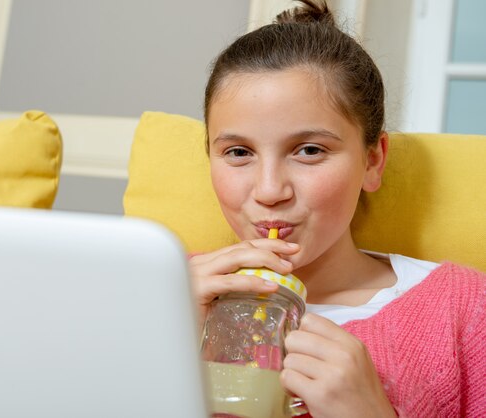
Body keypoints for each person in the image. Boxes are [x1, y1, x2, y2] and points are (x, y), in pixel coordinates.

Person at [189, 1, 486, 417]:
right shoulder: (166, 290)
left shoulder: (464, 310)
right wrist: (153, 344)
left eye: (309, 150)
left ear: (372, 160)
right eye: (238, 152)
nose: (270, 190)